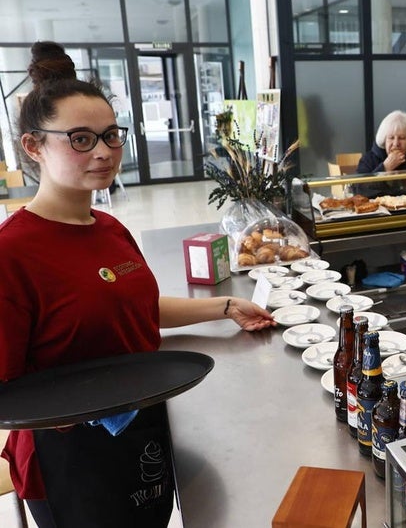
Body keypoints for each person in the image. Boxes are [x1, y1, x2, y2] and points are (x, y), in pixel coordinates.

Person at [0, 41, 275, 528]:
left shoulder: (109, 228)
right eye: (80, 139)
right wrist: (78, 412)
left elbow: (136, 308)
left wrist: (226, 306)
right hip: (69, 456)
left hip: (142, 426)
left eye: (111, 135)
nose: (104, 152)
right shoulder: (13, 252)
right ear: (33, 146)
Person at [356, 110, 406, 174]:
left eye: (402, 138)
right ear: (384, 140)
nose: (396, 143)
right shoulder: (368, 160)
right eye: (391, 138)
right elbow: (358, 188)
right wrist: (385, 168)